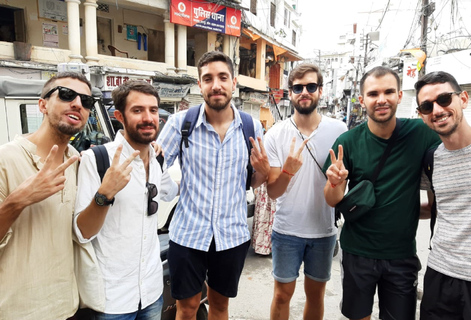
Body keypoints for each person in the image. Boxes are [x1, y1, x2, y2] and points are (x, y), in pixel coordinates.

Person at [157, 51, 270, 320]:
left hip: (231, 235)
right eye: (208, 78)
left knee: (220, 307)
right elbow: (154, 168)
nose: (216, 85)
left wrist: (263, 174)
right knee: (186, 308)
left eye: (222, 77)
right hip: (187, 234)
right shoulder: (181, 123)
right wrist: (173, 189)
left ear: (233, 83)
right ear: (200, 85)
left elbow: (252, 180)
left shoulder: (251, 126)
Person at [323, 66, 440, 320]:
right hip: (358, 252)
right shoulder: (348, 142)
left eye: (388, 91)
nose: (381, 99)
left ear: (399, 95)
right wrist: (335, 182)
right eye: (373, 93)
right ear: (362, 99)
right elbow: (332, 200)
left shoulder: (421, 133)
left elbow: (455, 139)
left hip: (402, 255)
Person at [74, 80, 179, 319]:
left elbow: (171, 191)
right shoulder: (97, 159)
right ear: (119, 115)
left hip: (152, 292)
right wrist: (105, 194)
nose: (148, 117)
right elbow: (82, 233)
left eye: (153, 110)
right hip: (112, 300)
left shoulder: (157, 159)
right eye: (137, 110)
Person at [0, 72, 93, 319]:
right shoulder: (5, 159)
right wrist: (18, 200)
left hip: (67, 306)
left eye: (86, 101)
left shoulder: (76, 161)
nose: (77, 104)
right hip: (18, 310)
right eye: (66, 95)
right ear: (42, 104)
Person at [264, 63, 347, 320]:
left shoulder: (339, 131)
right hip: (287, 230)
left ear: (320, 91)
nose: (304, 92)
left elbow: (343, 187)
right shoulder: (276, 134)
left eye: (311, 86)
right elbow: (273, 192)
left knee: (315, 295)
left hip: (323, 232)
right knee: (281, 295)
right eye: (298, 87)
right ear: (290, 92)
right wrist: (288, 171)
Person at [415, 71, 471, 319]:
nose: (437, 109)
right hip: (439, 274)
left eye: (444, 99)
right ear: (421, 115)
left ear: (463, 98)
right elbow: (435, 208)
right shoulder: (432, 159)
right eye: (427, 105)